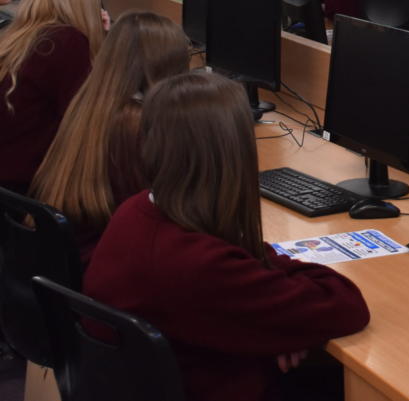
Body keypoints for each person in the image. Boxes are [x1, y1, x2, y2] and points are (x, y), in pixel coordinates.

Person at [84, 72, 370, 401]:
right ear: (234, 154)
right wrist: (287, 329)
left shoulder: (136, 212)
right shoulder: (197, 264)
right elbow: (345, 305)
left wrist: (282, 330)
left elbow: (242, 274)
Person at [30, 12, 189, 266]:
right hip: (103, 259)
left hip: (67, 253)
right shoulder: (134, 123)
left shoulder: (88, 102)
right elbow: (161, 212)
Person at [0, 0, 105, 194]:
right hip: (26, 184)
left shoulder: (21, 34)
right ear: (82, 0)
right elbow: (86, 118)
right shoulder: (66, 42)